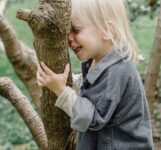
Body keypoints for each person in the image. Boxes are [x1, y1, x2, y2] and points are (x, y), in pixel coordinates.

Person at [36, 0, 154, 149]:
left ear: (107, 30)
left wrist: (61, 90)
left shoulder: (116, 72)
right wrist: (71, 81)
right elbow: (94, 90)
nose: (69, 39)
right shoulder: (102, 60)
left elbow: (91, 118)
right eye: (68, 31)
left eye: (76, 30)